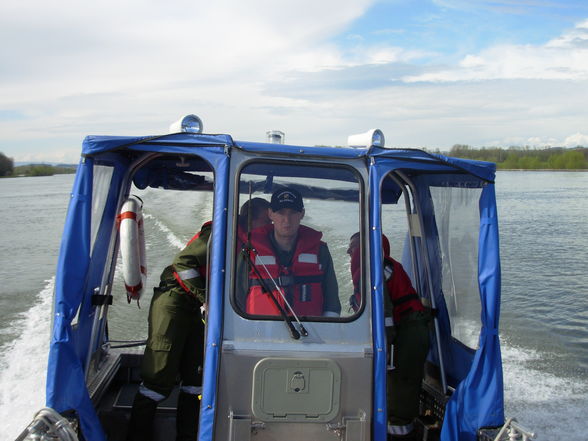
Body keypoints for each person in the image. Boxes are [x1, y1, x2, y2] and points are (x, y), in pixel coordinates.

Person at [127, 221, 210, 441]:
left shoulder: (249, 242)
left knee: (196, 377)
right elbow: (183, 263)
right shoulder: (217, 234)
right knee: (158, 374)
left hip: (193, 306)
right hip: (173, 301)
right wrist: (206, 298)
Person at [347, 233, 430, 441]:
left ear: (364, 249)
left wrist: (383, 351)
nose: (349, 251)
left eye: (354, 246)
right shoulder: (378, 266)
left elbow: (384, 318)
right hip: (406, 329)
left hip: (408, 333)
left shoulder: (375, 270)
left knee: (400, 391)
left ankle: (400, 436)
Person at [239, 187, 341, 318]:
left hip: (311, 334)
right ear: (270, 214)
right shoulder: (249, 252)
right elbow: (235, 299)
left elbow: (332, 303)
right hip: (258, 334)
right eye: (281, 212)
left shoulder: (321, 252)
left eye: (293, 212)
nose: (287, 220)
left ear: (302, 214)